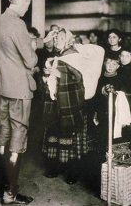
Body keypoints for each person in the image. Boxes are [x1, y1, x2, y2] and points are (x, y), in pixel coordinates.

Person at [0, 0, 37, 205]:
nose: (27, 8)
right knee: (18, 135)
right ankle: (11, 192)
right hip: (20, 88)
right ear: (22, 2)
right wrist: (34, 49)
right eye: (27, 4)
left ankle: (0, 183)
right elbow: (30, 60)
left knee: (5, 131)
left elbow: (7, 53)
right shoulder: (18, 24)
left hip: (4, 86)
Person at [42, 28, 89, 185]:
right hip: (56, 101)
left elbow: (79, 78)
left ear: (68, 40)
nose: (56, 41)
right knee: (54, 132)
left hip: (70, 101)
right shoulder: (57, 56)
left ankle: (72, 171)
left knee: (70, 135)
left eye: (60, 38)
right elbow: (53, 77)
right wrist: (47, 74)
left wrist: (58, 74)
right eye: (55, 39)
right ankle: (55, 167)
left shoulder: (74, 55)